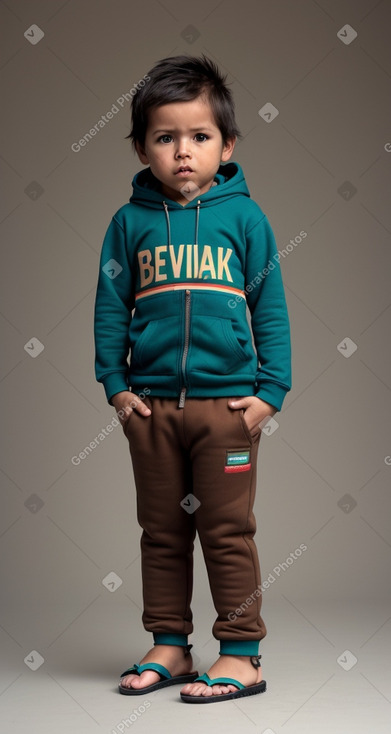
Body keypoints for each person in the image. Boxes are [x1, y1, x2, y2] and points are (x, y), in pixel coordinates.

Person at [93, 54, 291, 703]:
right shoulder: (129, 225)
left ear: (226, 144)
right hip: (150, 410)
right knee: (161, 531)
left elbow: (269, 308)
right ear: (142, 146)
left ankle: (240, 653)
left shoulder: (246, 219)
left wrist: (268, 395)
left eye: (199, 136)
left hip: (225, 412)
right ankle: (170, 645)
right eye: (165, 136)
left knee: (227, 530)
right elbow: (107, 307)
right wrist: (116, 389)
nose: (183, 152)